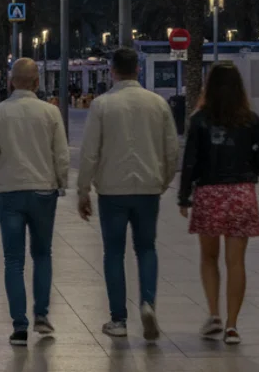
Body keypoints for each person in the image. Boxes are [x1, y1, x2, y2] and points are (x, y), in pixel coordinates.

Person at [76, 47, 179, 340]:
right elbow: (172, 150)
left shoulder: (102, 105)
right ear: (138, 69)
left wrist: (83, 190)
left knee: (114, 253)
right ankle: (147, 303)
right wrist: (162, 181)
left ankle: (118, 320)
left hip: (112, 191)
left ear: (112, 71)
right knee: (146, 248)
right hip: (148, 189)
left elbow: (89, 152)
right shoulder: (157, 104)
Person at [0, 58, 70, 346]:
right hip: (44, 191)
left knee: (13, 260)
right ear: (37, 83)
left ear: (10, 82)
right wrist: (61, 183)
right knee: (43, 254)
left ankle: (19, 325)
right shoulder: (51, 112)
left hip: (10, 192)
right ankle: (41, 314)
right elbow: (61, 155)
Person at [179, 62, 259, 346]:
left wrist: (183, 197)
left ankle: (214, 314)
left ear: (209, 86)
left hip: (209, 192)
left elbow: (190, 160)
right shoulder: (251, 119)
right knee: (236, 261)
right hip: (241, 193)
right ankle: (232, 326)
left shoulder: (200, 118)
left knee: (209, 257)